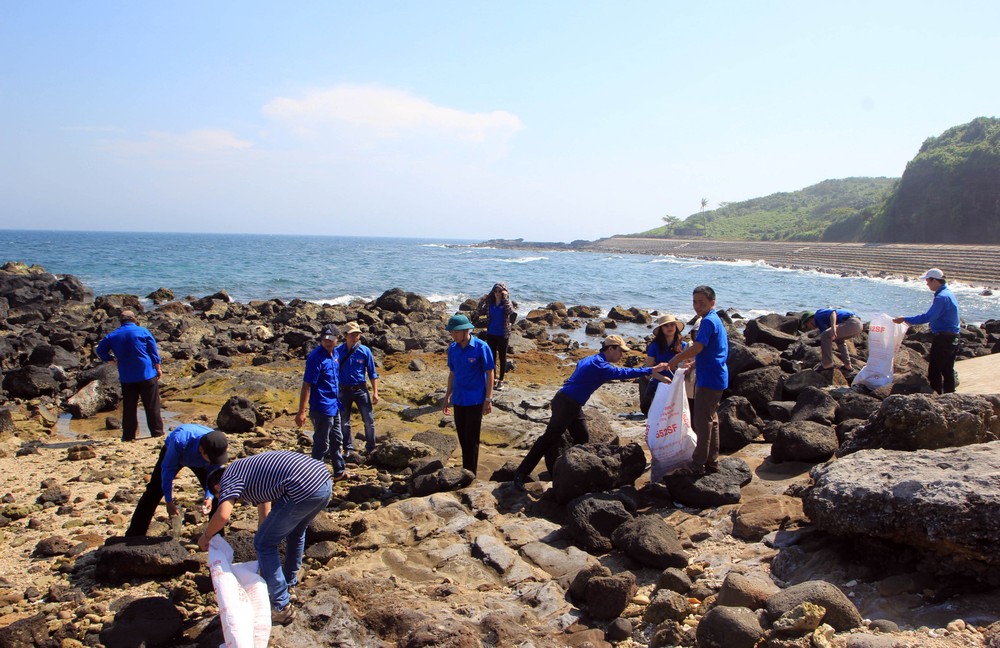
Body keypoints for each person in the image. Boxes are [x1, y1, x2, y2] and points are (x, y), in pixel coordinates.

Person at [512, 335, 672, 490]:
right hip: (565, 404)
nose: (622, 355)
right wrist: (651, 369)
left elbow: (579, 367)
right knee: (548, 439)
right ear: (610, 349)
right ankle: (521, 474)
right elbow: (623, 373)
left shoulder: (592, 359)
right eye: (620, 351)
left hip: (573, 404)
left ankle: (568, 470)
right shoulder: (600, 366)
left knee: (582, 437)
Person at [197, 450, 332, 626]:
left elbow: (223, 515)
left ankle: (281, 606)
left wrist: (206, 536)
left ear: (217, 487)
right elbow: (265, 513)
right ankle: (288, 586)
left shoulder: (228, 479)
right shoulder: (247, 472)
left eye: (220, 496)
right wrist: (265, 541)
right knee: (295, 533)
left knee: (263, 543)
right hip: (323, 482)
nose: (234, 500)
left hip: (303, 488)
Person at [667, 286, 729, 476]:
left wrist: (676, 359)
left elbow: (699, 347)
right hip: (716, 375)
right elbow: (712, 350)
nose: (697, 306)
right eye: (694, 302)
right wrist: (693, 365)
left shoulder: (708, 321)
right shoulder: (713, 319)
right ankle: (712, 461)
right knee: (711, 419)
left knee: (702, 422)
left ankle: (699, 463)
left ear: (712, 302)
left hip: (710, 378)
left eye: (701, 302)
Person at [125, 424, 228, 537]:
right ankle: (134, 535)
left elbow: (214, 478)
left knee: (217, 494)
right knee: (154, 491)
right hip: (180, 453)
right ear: (201, 450)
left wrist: (209, 497)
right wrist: (169, 501)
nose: (214, 461)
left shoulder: (217, 447)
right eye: (212, 459)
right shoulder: (180, 441)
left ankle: (217, 538)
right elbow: (167, 470)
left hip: (202, 458)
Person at [96, 309, 164, 441]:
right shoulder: (143, 331)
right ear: (134, 319)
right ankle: (157, 432)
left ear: (121, 321)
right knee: (152, 405)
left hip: (127, 375)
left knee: (129, 407)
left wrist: (111, 360)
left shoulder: (113, 335)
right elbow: (153, 351)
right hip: (146, 373)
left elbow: (100, 350)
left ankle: (128, 435)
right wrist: (158, 368)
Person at [893, 268, 961, 394]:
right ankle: (950, 395)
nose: (927, 284)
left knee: (935, 370)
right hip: (953, 336)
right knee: (947, 370)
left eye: (928, 281)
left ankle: (936, 397)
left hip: (944, 338)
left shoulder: (941, 297)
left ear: (934, 280)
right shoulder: (948, 293)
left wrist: (905, 319)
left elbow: (928, 317)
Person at [295, 326, 349, 481]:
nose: (327, 342)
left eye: (331, 339)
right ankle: (314, 477)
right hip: (321, 406)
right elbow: (307, 385)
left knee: (337, 439)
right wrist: (302, 411)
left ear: (337, 339)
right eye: (325, 339)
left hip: (334, 404)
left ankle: (339, 472)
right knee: (321, 444)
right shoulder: (315, 357)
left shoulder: (336, 354)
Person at [442, 314, 495, 475]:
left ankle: (470, 474)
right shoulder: (453, 349)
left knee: (472, 440)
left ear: (467, 330)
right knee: (463, 437)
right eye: (452, 332)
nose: (454, 335)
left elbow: (490, 373)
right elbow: (452, 373)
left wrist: (488, 399)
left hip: (475, 400)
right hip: (459, 399)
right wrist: (447, 396)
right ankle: (466, 470)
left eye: (456, 332)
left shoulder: (481, 347)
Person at [336, 322, 380, 455]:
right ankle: (348, 448)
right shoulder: (338, 352)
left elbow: (372, 373)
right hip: (343, 391)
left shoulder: (365, 351)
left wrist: (375, 392)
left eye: (357, 334)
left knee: (369, 420)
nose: (355, 337)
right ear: (345, 335)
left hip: (361, 390)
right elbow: (332, 372)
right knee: (344, 421)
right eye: (352, 335)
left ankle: (371, 447)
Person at [640, 314, 688, 416]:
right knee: (647, 411)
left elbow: (687, 366)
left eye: (672, 325)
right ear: (661, 329)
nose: (669, 327)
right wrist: (662, 378)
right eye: (666, 325)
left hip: (677, 384)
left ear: (676, 327)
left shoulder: (683, 345)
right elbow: (649, 369)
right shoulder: (655, 346)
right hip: (658, 383)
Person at [476, 282, 516, 390]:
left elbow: (510, 312)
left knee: (502, 357)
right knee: (491, 357)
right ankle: (493, 379)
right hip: (491, 333)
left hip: (503, 334)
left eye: (499, 291)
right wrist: (482, 300)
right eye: (495, 291)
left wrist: (505, 298)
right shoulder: (490, 303)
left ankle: (501, 380)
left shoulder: (506, 303)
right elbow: (479, 312)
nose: (497, 293)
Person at [800, 308, 864, 371]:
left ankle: (828, 364)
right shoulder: (822, 325)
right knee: (839, 341)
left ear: (809, 320)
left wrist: (833, 328)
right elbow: (826, 340)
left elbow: (833, 312)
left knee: (825, 335)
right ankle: (848, 365)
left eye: (806, 325)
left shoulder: (818, 314)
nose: (808, 328)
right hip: (857, 326)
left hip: (852, 322)